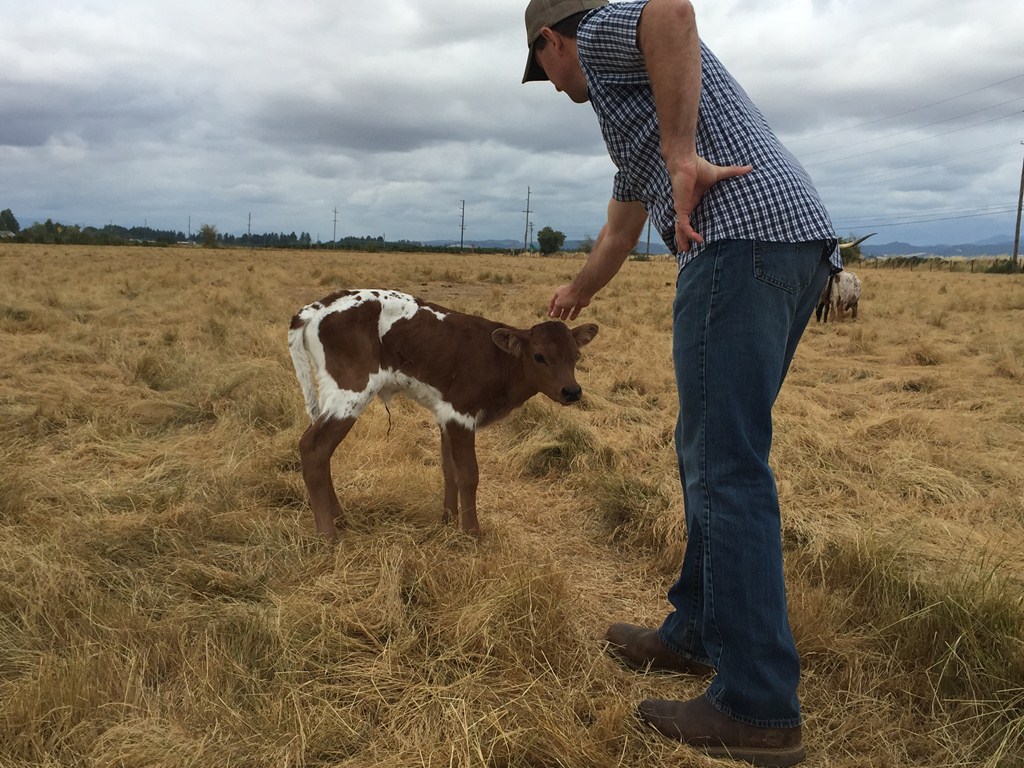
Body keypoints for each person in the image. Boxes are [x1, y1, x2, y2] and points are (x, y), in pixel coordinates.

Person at [522, 0, 840, 766]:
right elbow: (621, 230)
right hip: (793, 245)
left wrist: (680, 155)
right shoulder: (641, 110)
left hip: (737, 243)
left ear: (552, 39)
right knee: (709, 452)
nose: (553, 84)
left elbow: (671, 11)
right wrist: (578, 292)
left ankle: (758, 705)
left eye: (543, 67)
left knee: (726, 466)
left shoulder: (604, 34)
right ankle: (696, 629)